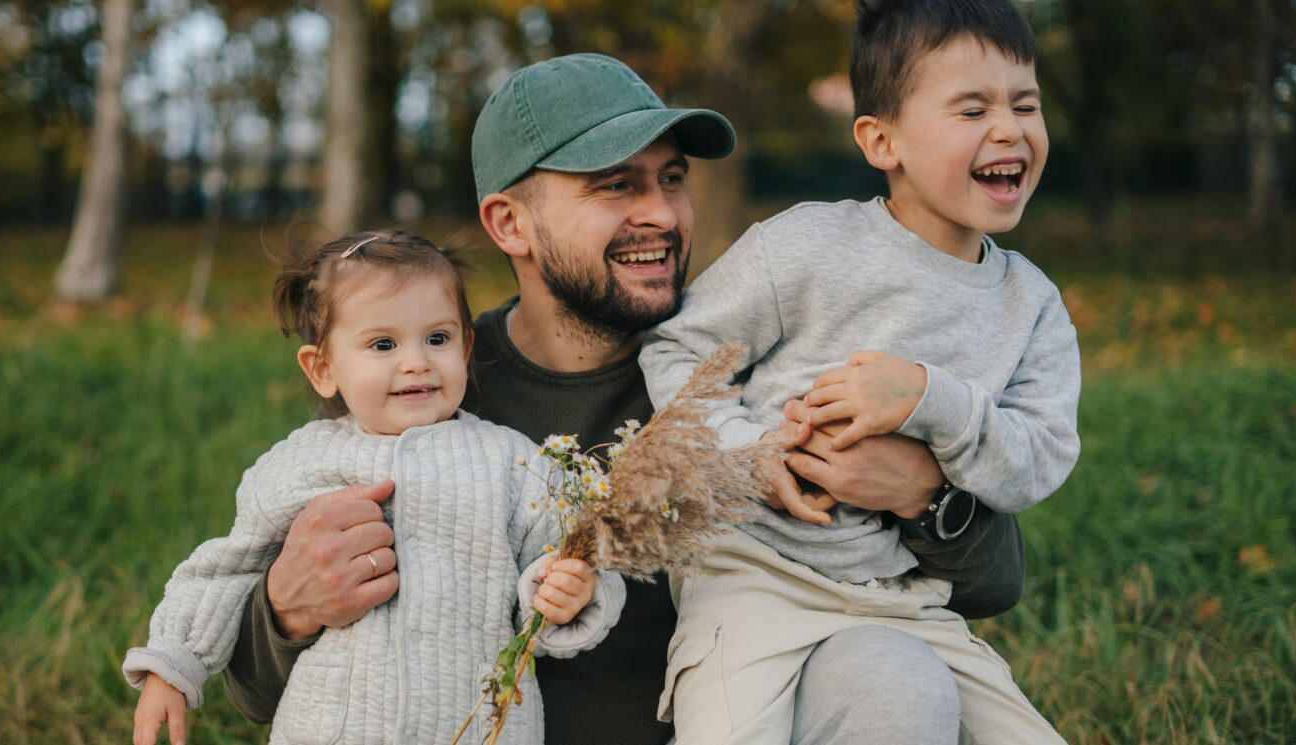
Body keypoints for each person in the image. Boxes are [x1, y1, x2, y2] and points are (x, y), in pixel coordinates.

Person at [223, 53, 1031, 745]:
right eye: (615, 185)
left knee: (895, 674)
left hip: (763, 712)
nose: (661, 214)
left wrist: (927, 497)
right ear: (511, 222)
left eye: (670, 179)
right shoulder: (424, 395)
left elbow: (996, 583)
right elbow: (256, 691)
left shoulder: (745, 368)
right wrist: (287, 610)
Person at [640, 1, 1080, 743]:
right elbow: (679, 351)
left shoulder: (1029, 306)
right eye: (972, 108)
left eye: (1024, 103)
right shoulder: (803, 246)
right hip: (755, 574)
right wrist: (747, 454)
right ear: (882, 140)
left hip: (902, 595)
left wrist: (928, 398)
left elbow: (1037, 460)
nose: (1009, 128)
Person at [122, 230, 625, 745]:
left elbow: (568, 554)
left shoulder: (514, 461)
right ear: (323, 369)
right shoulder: (302, 462)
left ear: (466, 345)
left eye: (438, 338)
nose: (416, 361)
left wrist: (569, 592)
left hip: (480, 726)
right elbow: (225, 569)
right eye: (383, 344)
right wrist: (170, 662)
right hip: (331, 728)